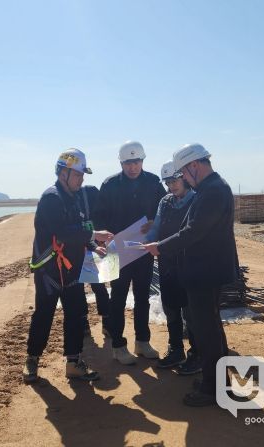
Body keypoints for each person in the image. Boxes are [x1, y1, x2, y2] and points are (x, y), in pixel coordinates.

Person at [143, 143, 238, 407]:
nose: (183, 178)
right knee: (211, 329)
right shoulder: (210, 188)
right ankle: (219, 383)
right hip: (205, 270)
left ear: (194, 165)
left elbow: (194, 231)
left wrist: (160, 247)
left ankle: (212, 389)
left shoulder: (213, 191)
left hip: (205, 272)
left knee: (207, 331)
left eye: (183, 172)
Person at [23, 149, 113, 383]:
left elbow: (79, 228)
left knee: (76, 314)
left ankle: (73, 363)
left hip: (72, 269)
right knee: (44, 314)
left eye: (82, 175)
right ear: (64, 173)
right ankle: (32, 359)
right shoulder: (51, 198)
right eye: (78, 175)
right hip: (49, 270)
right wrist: (94, 235)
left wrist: (93, 246)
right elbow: (62, 232)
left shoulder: (75, 197)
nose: (81, 180)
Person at [93, 141, 166, 365]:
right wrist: (104, 237)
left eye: (136, 162)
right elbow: (99, 215)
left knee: (143, 297)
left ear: (142, 161)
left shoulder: (153, 182)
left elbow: (164, 209)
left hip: (143, 250)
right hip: (118, 251)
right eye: (128, 163)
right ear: (121, 163)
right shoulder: (110, 185)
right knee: (118, 297)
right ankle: (118, 345)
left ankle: (142, 342)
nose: (132, 167)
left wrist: (154, 222)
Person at [144, 160, 200, 374]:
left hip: (189, 265)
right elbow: (156, 227)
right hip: (167, 265)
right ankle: (176, 349)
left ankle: (197, 354)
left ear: (183, 178)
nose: (171, 186)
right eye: (167, 182)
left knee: (191, 313)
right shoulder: (165, 202)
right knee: (171, 309)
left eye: (174, 181)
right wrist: (146, 243)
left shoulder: (196, 200)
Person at [79, 184, 112, 337]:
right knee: (89, 288)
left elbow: (102, 216)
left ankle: (101, 323)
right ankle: (88, 323)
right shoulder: (66, 198)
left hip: (89, 249)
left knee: (95, 286)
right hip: (81, 250)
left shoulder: (88, 194)